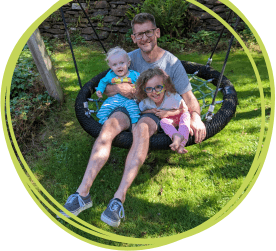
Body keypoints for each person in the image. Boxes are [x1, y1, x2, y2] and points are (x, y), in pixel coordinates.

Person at [58, 13, 206, 228]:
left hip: (152, 112)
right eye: (139, 34)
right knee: (107, 128)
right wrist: (119, 88)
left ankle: (119, 199)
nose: (144, 38)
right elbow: (106, 84)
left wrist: (196, 116)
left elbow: (189, 98)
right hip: (126, 108)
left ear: (157, 33)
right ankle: (82, 194)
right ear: (133, 38)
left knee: (142, 130)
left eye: (148, 32)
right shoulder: (127, 58)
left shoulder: (172, 63)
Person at [136, 67, 190, 154]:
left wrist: (168, 113)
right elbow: (141, 111)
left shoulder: (173, 97)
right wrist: (151, 111)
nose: (154, 92)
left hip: (179, 115)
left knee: (185, 120)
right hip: (170, 120)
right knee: (163, 122)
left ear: (165, 87)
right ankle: (176, 136)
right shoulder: (146, 102)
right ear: (144, 91)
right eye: (149, 89)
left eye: (158, 87)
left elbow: (184, 110)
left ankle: (181, 145)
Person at [95, 47, 140, 131]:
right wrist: (99, 90)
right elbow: (103, 82)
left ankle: (134, 125)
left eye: (122, 63)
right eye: (115, 65)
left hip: (129, 99)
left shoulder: (134, 74)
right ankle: (105, 125)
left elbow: (142, 82)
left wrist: (136, 88)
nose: (119, 67)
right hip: (114, 99)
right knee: (102, 111)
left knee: (134, 110)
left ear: (128, 63)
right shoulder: (110, 75)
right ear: (110, 66)